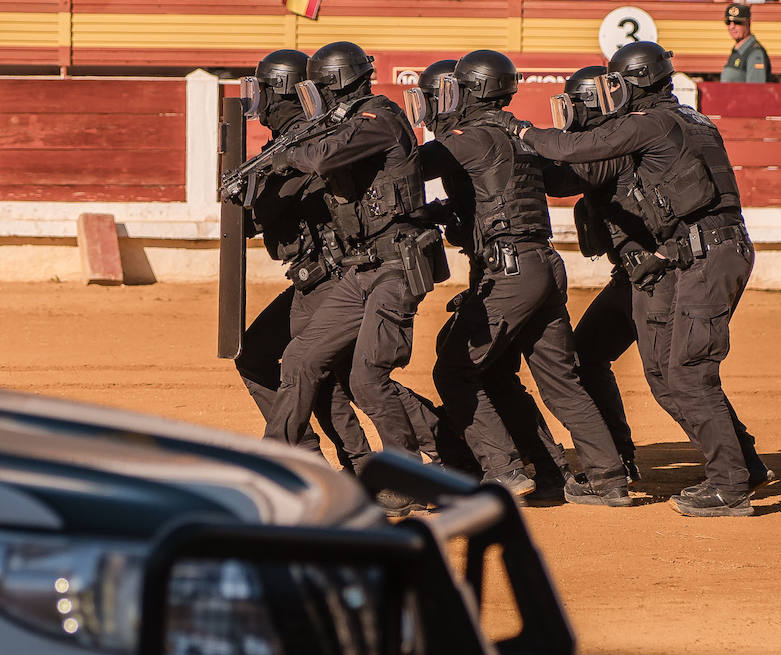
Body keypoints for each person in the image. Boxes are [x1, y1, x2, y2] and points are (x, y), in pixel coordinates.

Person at [512, 40, 770, 516]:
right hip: (691, 256)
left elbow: (573, 156)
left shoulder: (644, 126)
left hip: (695, 258)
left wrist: (519, 132)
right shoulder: (683, 117)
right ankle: (740, 465)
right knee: (670, 372)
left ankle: (730, 483)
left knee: (684, 374)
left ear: (631, 85)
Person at [418, 49, 632, 505]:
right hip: (543, 265)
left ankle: (505, 471)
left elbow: (412, 168)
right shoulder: (516, 135)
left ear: (471, 90)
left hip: (510, 270)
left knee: (455, 370)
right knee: (559, 379)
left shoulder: (474, 136)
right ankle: (606, 478)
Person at [271, 42, 453, 515]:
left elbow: (322, 157)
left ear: (335, 84)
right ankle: (275, 463)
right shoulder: (346, 124)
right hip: (364, 268)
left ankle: (407, 475)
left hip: (398, 264)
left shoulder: (381, 118)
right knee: (299, 358)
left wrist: (287, 153)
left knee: (368, 377)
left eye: (317, 88)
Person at [229, 49, 376, 478]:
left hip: (332, 276)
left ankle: (359, 465)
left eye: (261, 89)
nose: (255, 102)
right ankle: (332, 462)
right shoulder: (293, 139)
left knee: (328, 375)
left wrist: (243, 199)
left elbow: (264, 214)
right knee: (307, 370)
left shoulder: (306, 140)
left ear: (280, 92)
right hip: (314, 277)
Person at [537, 66, 653, 484]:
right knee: (587, 355)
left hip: (653, 278)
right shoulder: (612, 137)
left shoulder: (608, 145)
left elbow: (558, 180)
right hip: (633, 276)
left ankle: (740, 465)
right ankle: (621, 456)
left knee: (680, 379)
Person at [720, 2, 771, 82]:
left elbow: (755, 89)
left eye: (737, 22)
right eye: (728, 22)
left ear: (748, 22)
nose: (732, 27)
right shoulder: (737, 50)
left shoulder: (755, 53)